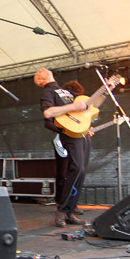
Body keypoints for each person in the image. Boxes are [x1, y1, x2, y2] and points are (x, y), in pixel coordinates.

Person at [34, 69, 109, 228]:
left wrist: (105, 91)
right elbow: (48, 112)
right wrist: (73, 107)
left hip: (82, 134)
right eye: (38, 73)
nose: (41, 70)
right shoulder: (48, 92)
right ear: (40, 81)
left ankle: (69, 212)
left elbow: (91, 107)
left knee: (81, 171)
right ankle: (62, 210)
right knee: (76, 168)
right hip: (69, 133)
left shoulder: (65, 92)